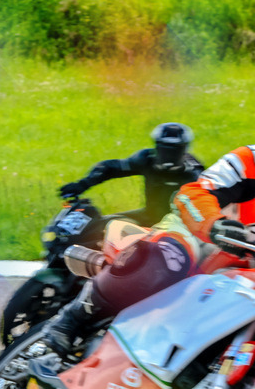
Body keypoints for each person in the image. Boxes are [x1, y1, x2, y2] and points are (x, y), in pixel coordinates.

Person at [38, 143, 254, 360]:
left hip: (247, 272)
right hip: (203, 236)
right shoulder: (249, 159)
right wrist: (214, 224)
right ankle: (71, 320)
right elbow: (193, 193)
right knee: (169, 259)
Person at [58, 123, 204, 226]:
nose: (169, 155)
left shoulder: (194, 172)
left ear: (184, 150)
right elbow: (110, 168)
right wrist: (82, 184)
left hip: (182, 228)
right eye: (165, 149)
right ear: (157, 147)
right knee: (98, 226)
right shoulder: (145, 160)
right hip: (149, 217)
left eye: (174, 150)